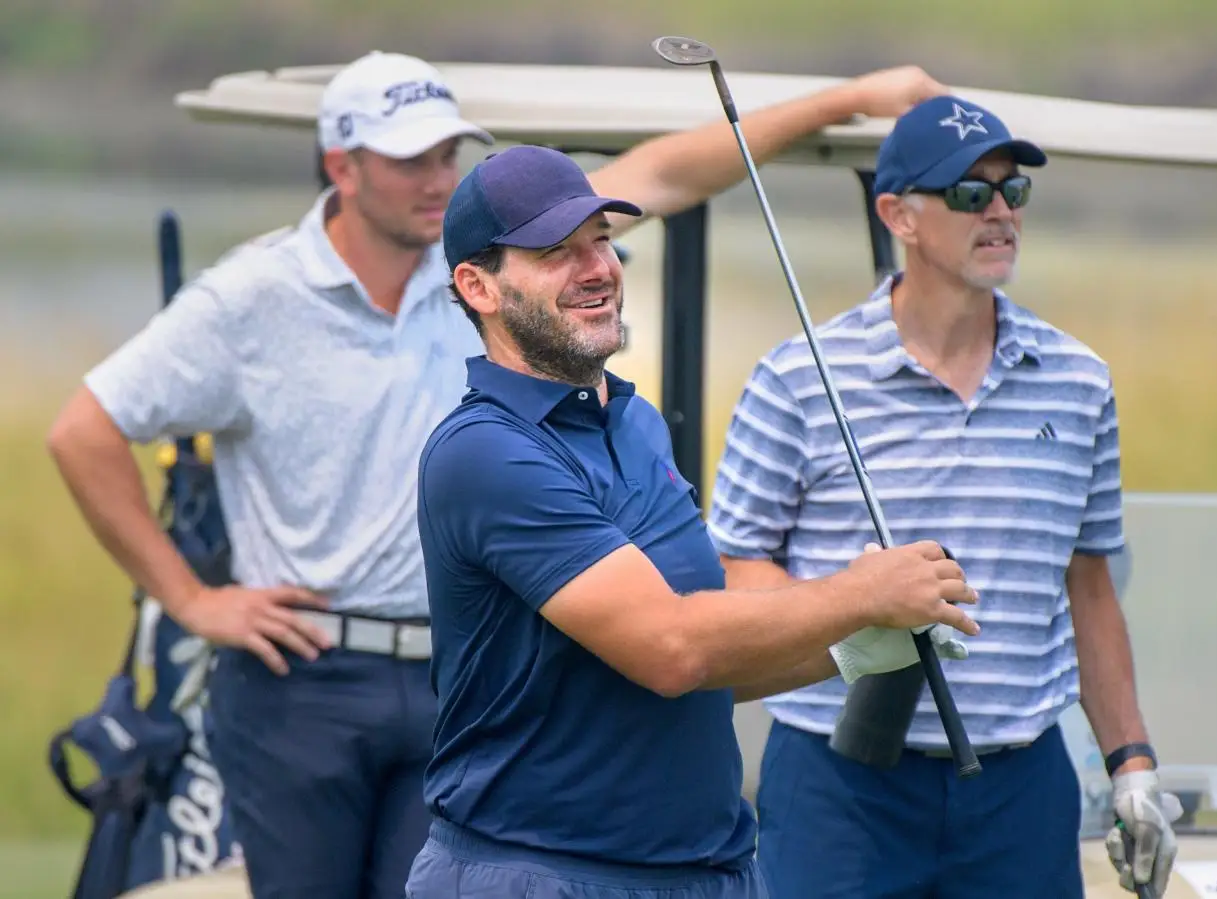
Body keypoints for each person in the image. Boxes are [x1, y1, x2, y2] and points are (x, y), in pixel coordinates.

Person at [46, 48, 952, 899]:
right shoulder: (260, 298)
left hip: (466, 669)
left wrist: (843, 99)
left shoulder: (619, 410)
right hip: (314, 675)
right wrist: (195, 602)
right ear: (343, 165)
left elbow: (671, 171)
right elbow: (84, 428)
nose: (436, 176)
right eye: (410, 158)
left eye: (449, 152)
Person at [407, 143, 980, 899]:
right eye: (555, 252)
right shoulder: (485, 452)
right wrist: (858, 595)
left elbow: (706, 664)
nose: (596, 269)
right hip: (541, 872)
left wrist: (854, 651)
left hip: (703, 873)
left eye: (602, 241)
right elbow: (670, 647)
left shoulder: (635, 422)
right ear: (477, 286)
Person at [705, 94, 1184, 899]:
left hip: (1021, 786)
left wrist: (1131, 763)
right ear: (899, 215)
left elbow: (1090, 588)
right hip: (839, 782)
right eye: (970, 193)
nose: (999, 212)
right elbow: (733, 574)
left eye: (1013, 190)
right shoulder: (797, 377)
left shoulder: (1078, 381)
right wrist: (857, 609)